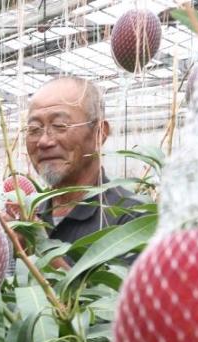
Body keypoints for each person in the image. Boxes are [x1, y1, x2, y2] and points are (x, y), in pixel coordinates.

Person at [27, 76, 140, 246]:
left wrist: (37, 242)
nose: (43, 141)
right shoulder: (30, 214)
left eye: (59, 125)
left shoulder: (133, 218)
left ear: (99, 132)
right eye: (34, 129)